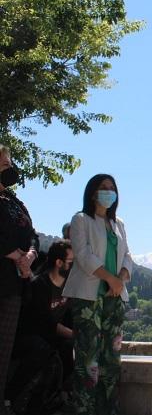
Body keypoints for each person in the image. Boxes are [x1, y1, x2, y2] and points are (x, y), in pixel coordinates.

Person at [62, 174, 132, 415]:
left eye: (113, 188)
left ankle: (109, 409)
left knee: (112, 358)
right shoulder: (81, 220)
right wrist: (109, 278)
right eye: (104, 188)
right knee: (87, 357)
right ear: (93, 193)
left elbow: (127, 256)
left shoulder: (119, 223)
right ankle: (84, 409)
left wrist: (120, 279)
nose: (109, 192)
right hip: (88, 296)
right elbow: (83, 254)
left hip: (115, 296)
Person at [0, 144, 39, 415]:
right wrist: (16, 256)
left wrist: (30, 255)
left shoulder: (15, 202)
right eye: (3, 165)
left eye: (9, 163)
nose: (9, 169)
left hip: (13, 286)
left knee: (4, 350)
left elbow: (33, 235)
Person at [28, 240, 74, 384]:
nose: (74, 266)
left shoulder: (68, 287)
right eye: (71, 262)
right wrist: (76, 335)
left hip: (55, 335)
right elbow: (46, 322)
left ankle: (62, 394)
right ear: (59, 263)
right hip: (37, 335)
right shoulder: (39, 285)